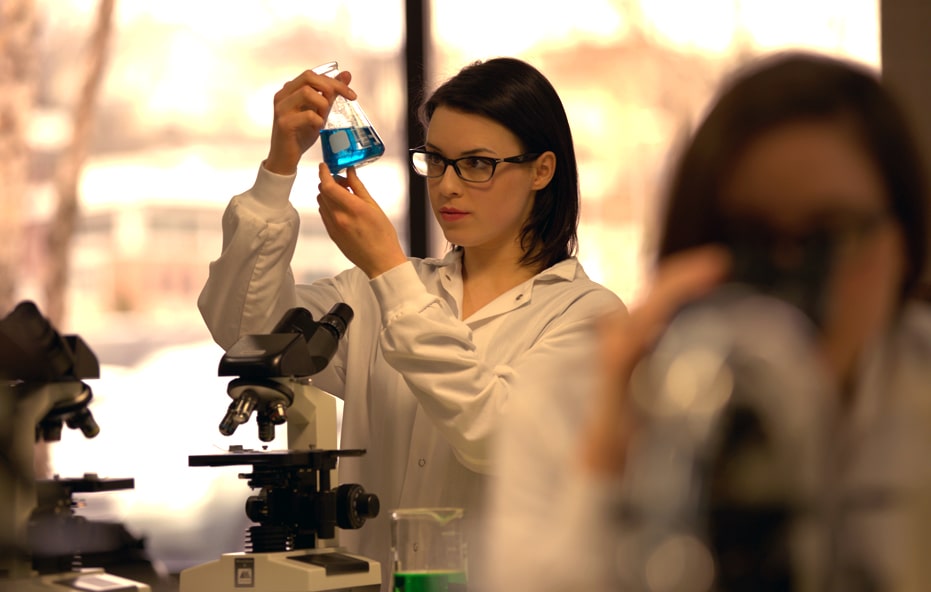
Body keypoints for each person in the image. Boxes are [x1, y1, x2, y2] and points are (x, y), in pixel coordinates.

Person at [486, 50, 931, 591]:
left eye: (829, 236)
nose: (792, 275)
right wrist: (613, 452)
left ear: (903, 244)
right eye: (750, 237)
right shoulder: (575, 393)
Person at [196, 57, 624, 588]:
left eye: (478, 164)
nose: (447, 186)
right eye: (437, 161)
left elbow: (496, 436)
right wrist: (278, 169)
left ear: (542, 169)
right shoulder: (376, 293)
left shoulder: (588, 317)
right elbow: (244, 329)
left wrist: (388, 269)